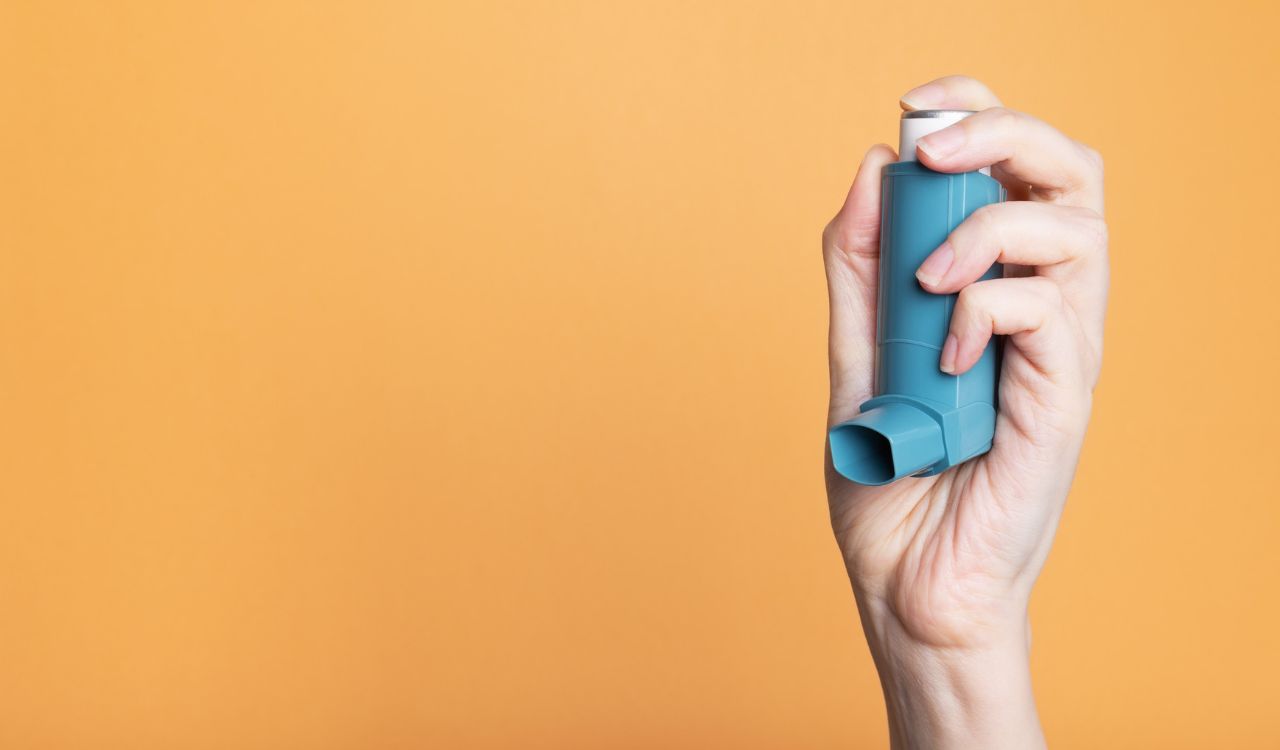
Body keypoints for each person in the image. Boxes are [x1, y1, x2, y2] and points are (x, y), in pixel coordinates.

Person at [823, 75, 1108, 749]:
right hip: (907, 420)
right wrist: (927, 642)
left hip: (928, 429)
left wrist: (961, 632)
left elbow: (954, 618)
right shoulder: (915, 194)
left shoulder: (953, 195)